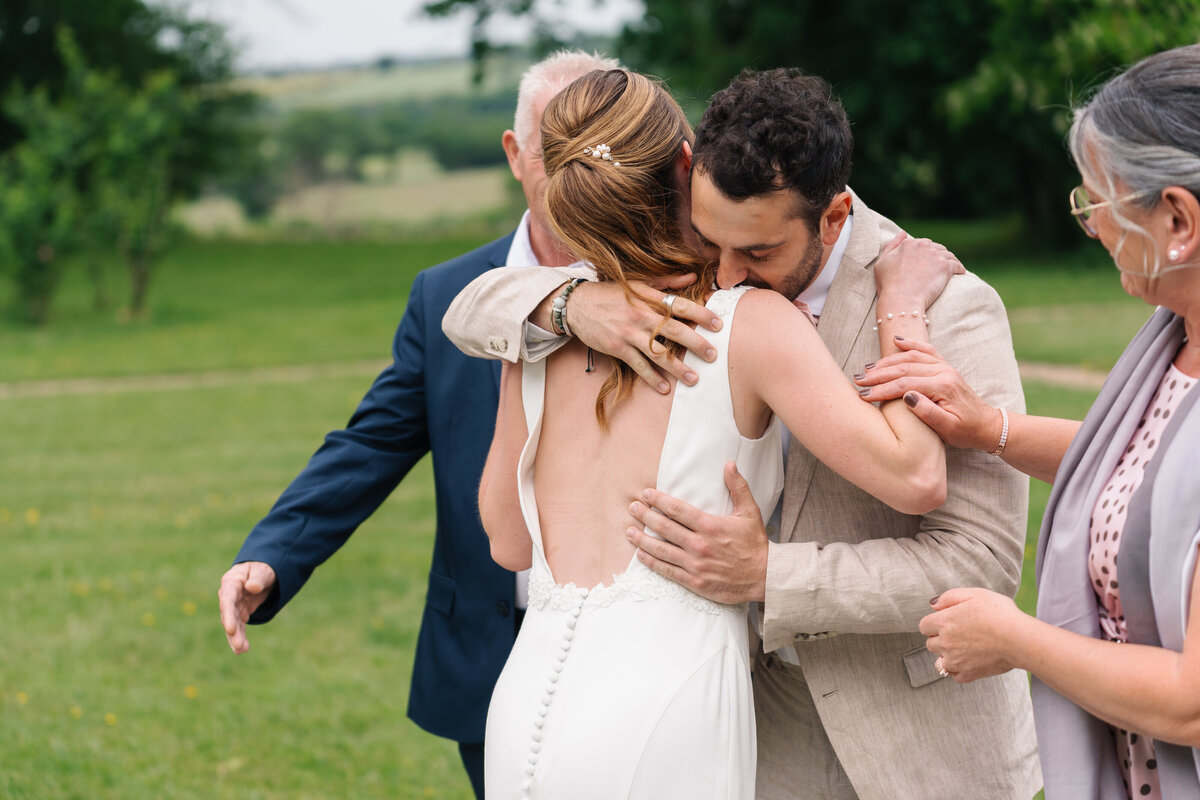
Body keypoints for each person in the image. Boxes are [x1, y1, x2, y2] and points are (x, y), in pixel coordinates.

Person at [443, 68, 1042, 800]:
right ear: (686, 169)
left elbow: (978, 560)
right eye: (714, 239)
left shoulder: (949, 302)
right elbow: (479, 305)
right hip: (720, 717)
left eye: (756, 254)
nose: (727, 273)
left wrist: (767, 576)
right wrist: (567, 302)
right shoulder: (571, 311)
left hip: (897, 736)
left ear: (831, 218)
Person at [215, 50, 627, 798]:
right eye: (553, 152)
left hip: (631, 650)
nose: (575, 177)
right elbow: (372, 442)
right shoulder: (444, 295)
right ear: (514, 155)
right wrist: (273, 553)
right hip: (490, 651)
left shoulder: (663, 283)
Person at [855, 44, 1200, 800]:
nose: (1089, 227)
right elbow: (1153, 473)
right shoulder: (1178, 339)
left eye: (1098, 203)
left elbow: (1191, 699)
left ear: (1177, 218)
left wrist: (1017, 639)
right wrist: (988, 429)